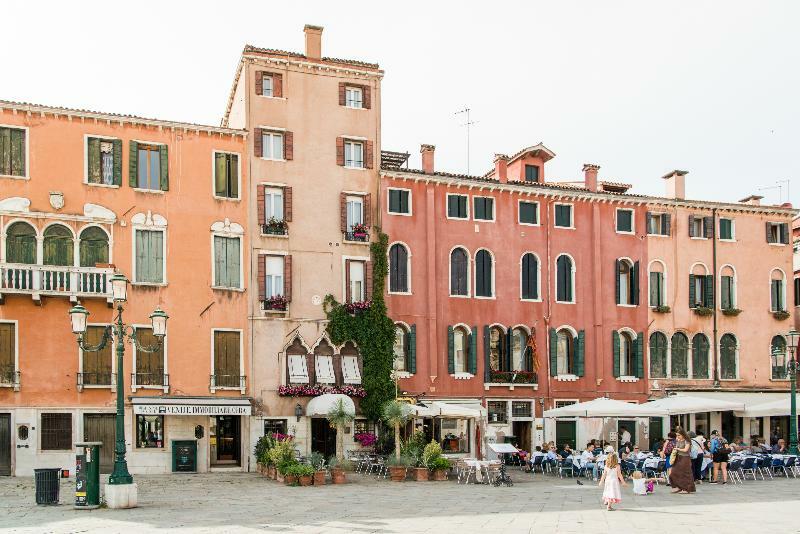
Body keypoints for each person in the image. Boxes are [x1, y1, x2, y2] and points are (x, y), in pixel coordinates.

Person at [669, 429, 696, 494]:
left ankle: (686, 488)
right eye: (677, 435)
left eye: (679, 435)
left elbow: (686, 450)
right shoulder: (678, 440)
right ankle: (678, 487)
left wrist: (677, 449)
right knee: (674, 472)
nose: (678, 436)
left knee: (685, 473)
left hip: (685, 458)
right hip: (678, 457)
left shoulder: (687, 441)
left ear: (683, 435)